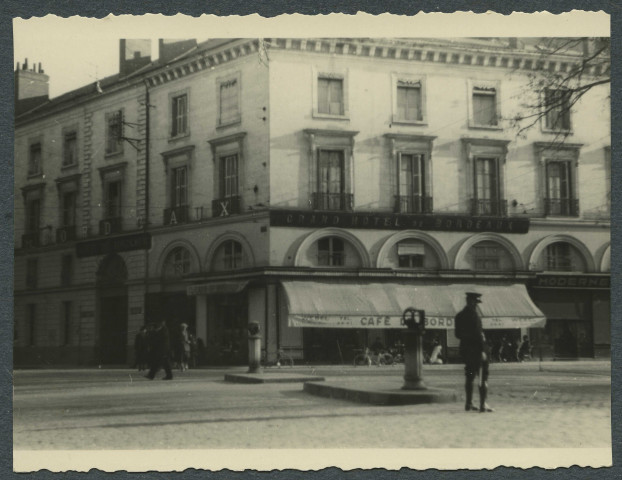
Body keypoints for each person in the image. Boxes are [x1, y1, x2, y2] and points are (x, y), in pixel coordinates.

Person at [454, 292, 493, 413]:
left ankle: (468, 403)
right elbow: (478, 335)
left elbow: (457, 334)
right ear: (471, 302)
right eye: (475, 303)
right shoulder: (475, 316)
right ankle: (482, 405)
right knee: (482, 377)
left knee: (469, 377)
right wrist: (482, 350)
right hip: (477, 351)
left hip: (466, 350)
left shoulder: (459, 316)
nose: (476, 305)